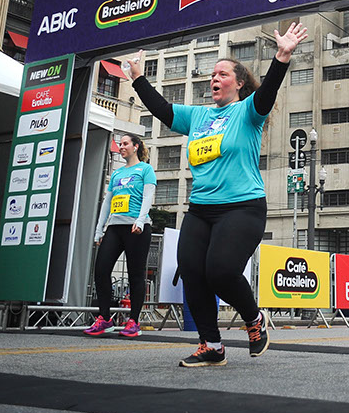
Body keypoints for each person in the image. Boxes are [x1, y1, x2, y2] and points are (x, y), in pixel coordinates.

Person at [129, 22, 308, 367]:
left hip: (242, 208)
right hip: (201, 210)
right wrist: (138, 78)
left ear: (239, 83)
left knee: (222, 270)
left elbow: (268, 91)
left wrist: (282, 57)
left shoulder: (248, 111)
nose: (214, 78)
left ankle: (253, 319)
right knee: (193, 272)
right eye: (212, 74)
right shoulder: (196, 116)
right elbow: (163, 110)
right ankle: (211, 345)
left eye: (222, 73)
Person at [83, 133, 157, 338]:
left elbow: (148, 196)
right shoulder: (116, 174)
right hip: (114, 227)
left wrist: (141, 220)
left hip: (136, 227)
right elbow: (107, 203)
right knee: (101, 269)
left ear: (135, 146)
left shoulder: (145, 169)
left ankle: (133, 321)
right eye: (120, 144)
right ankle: (105, 319)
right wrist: (99, 229)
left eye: (125, 144)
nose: (121, 147)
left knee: (135, 275)